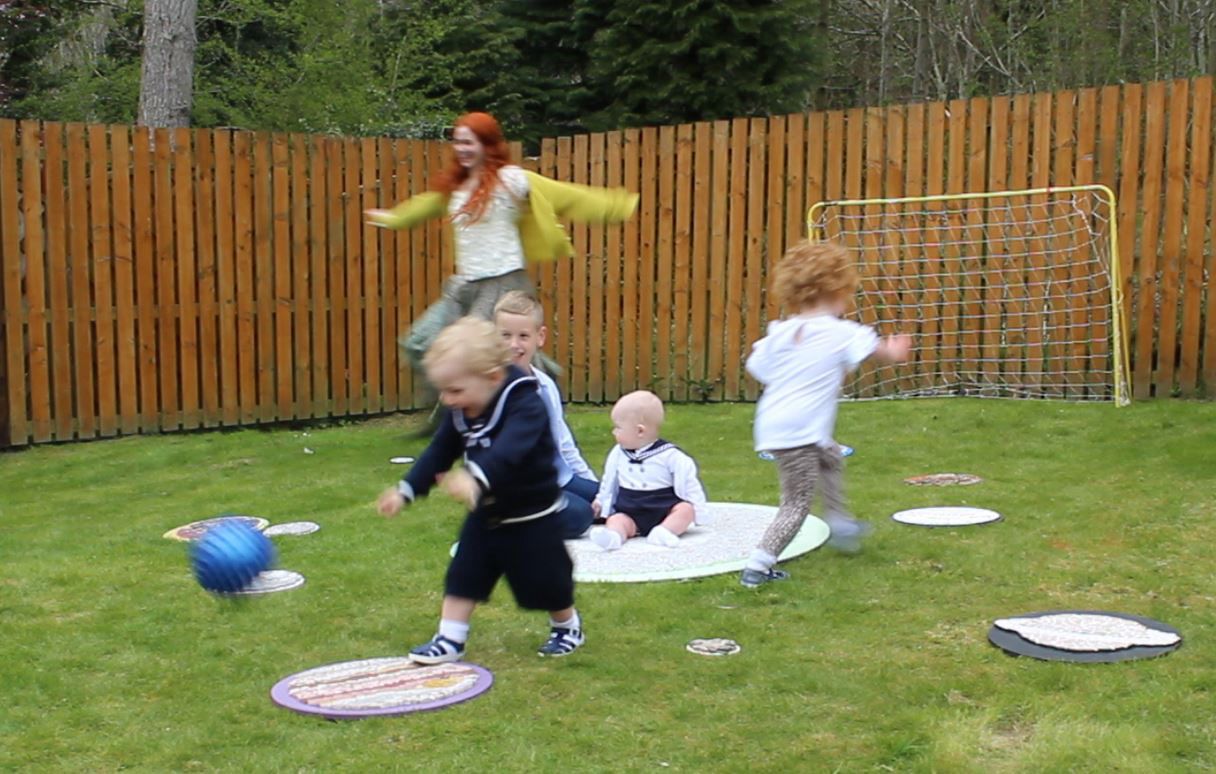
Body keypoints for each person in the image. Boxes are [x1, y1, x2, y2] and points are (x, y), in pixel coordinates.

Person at [364, 111, 638, 385]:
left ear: (487, 144)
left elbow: (566, 196)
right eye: (458, 142)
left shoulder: (510, 181)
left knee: (477, 356)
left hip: (501, 283)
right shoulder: (456, 187)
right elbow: (423, 205)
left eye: (469, 142)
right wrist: (395, 218)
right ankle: (460, 406)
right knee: (419, 343)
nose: (462, 149)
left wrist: (616, 206)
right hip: (464, 286)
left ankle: (533, 382)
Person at [376, 317, 584, 661]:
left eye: (455, 390)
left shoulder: (526, 404)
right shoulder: (460, 409)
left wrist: (476, 475)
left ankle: (566, 626)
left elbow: (511, 449)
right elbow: (440, 452)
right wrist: (406, 490)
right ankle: (450, 639)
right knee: (464, 572)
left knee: (547, 583)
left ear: (492, 378)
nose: (448, 399)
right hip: (486, 512)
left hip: (532, 514)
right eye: (443, 390)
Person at [740, 240, 910, 588]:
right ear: (835, 289)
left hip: (779, 422)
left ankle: (841, 524)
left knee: (831, 457)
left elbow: (756, 365)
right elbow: (880, 352)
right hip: (797, 431)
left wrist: (791, 381)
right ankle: (758, 565)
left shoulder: (782, 332)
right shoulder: (841, 332)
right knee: (797, 502)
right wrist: (894, 350)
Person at [494, 291, 599, 539]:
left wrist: (592, 483)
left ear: (539, 337)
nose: (514, 345)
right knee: (581, 515)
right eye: (505, 336)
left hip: (558, 479)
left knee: (609, 500)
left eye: (523, 336)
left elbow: (564, 445)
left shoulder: (544, 385)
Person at [589, 390, 710, 551]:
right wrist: (600, 500)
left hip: (663, 507)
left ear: (640, 431)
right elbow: (609, 479)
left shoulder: (671, 455)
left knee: (685, 510)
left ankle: (664, 530)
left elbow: (690, 484)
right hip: (630, 506)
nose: (613, 432)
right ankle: (614, 536)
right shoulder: (618, 453)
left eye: (618, 428)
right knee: (617, 519)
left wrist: (700, 512)